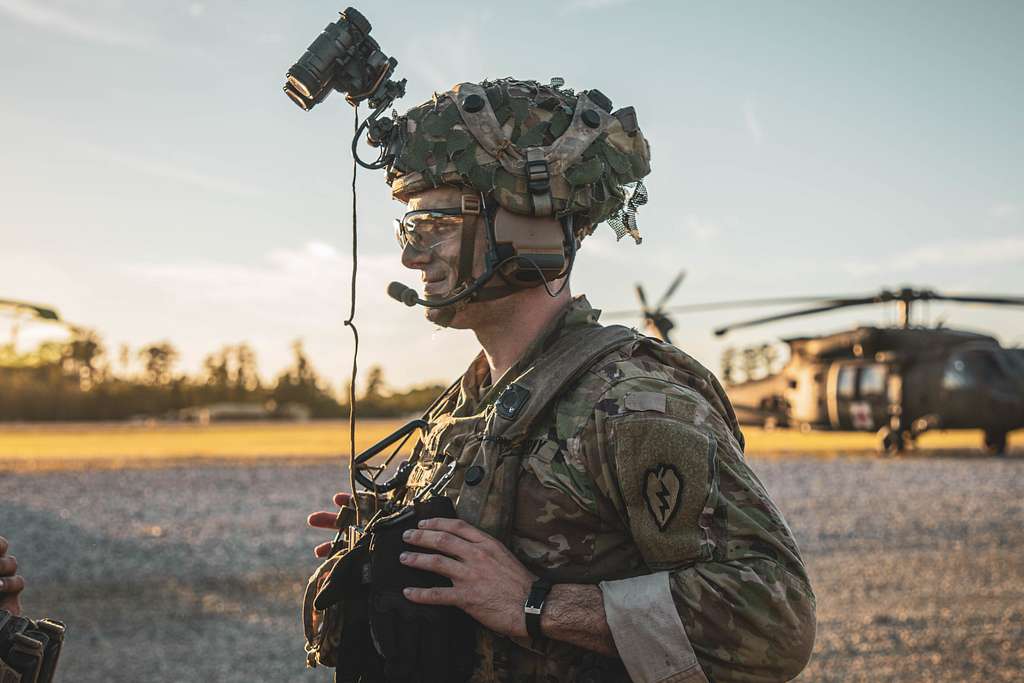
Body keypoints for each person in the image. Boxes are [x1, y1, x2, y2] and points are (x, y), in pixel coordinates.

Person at [306, 78, 815, 682]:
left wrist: (535, 604)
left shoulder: (633, 401)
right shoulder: (472, 402)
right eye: (410, 230)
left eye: (437, 224)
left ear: (532, 231)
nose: (413, 258)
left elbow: (775, 620)